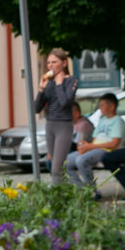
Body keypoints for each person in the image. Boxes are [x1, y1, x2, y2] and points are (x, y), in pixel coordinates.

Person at [65, 93, 125, 197]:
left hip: (106, 150)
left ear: (111, 106)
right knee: (65, 162)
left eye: (102, 105)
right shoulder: (102, 120)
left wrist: (90, 147)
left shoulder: (118, 121)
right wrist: (85, 147)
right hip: (94, 149)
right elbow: (94, 140)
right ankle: (81, 190)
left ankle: (93, 191)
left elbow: (114, 144)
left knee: (81, 160)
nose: (100, 108)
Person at [34, 48, 78, 183]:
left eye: (54, 62)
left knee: (57, 168)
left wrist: (59, 83)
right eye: (48, 63)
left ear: (64, 63)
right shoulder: (49, 83)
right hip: (50, 125)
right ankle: (64, 194)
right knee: (54, 166)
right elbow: (36, 108)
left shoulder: (71, 80)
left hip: (64, 125)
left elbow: (65, 102)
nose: (50, 66)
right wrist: (41, 89)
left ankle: (57, 199)